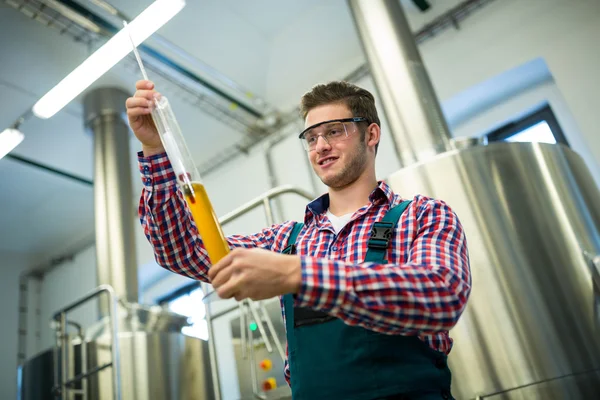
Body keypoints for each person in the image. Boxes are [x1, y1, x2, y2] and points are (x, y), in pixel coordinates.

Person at [126, 79, 471, 400]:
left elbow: (441, 294)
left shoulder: (423, 215)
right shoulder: (287, 241)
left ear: (371, 134)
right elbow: (182, 252)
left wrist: (298, 275)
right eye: (311, 137)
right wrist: (157, 149)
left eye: (335, 131)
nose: (321, 146)